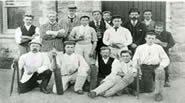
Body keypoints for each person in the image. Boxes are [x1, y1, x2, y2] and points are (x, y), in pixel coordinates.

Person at [132, 32, 170, 101]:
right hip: (145, 67)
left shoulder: (158, 47)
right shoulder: (140, 47)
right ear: (145, 38)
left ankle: (158, 94)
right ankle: (147, 88)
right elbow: (135, 59)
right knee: (149, 89)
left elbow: (165, 59)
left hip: (156, 67)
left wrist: (161, 66)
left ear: (155, 39)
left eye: (153, 38)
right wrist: (136, 67)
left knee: (160, 72)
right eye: (149, 38)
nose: (150, 40)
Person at [69, 15, 98, 90]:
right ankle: (77, 80)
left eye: (86, 20)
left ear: (88, 21)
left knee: (88, 63)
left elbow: (95, 41)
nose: (84, 22)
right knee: (78, 62)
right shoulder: (76, 28)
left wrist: (92, 50)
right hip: (78, 46)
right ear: (80, 21)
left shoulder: (91, 29)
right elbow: (70, 37)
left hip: (88, 46)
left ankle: (87, 81)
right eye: (83, 20)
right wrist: (76, 39)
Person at [154, 22, 175, 87]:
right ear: (154, 28)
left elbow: (172, 43)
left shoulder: (168, 34)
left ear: (163, 29)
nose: (158, 30)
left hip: (164, 52)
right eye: (157, 28)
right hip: (154, 52)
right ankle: (154, 81)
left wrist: (161, 43)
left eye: (160, 29)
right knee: (154, 66)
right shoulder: (151, 33)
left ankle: (166, 81)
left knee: (165, 67)